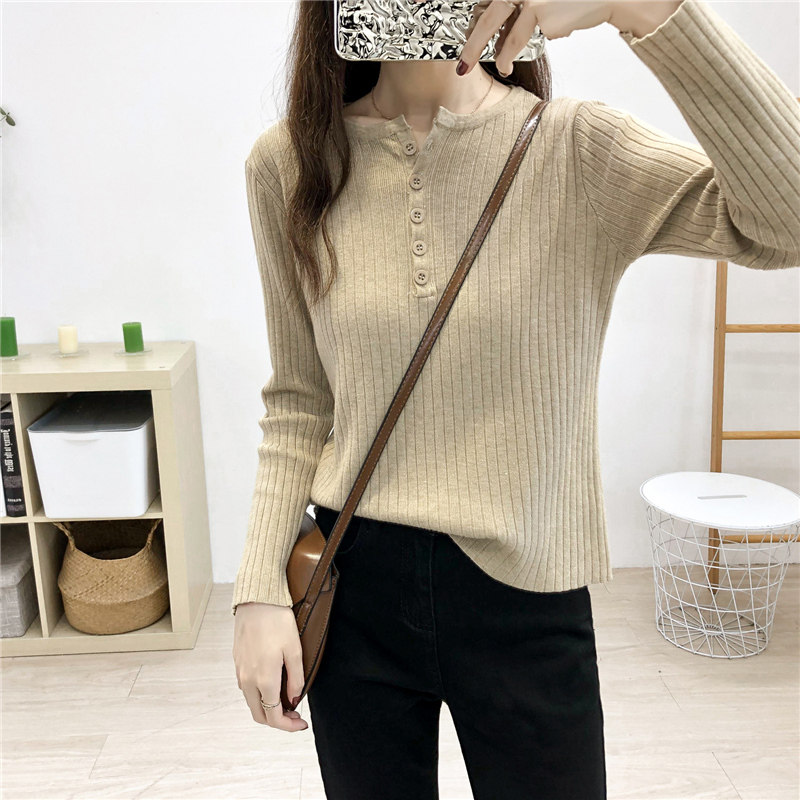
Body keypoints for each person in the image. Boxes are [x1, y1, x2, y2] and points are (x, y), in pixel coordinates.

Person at [232, 1, 800, 797]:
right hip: (354, 580)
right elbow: (299, 398)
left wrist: (643, 7)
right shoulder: (291, 164)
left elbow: (787, 220)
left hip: (528, 585)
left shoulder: (578, 148)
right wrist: (257, 590)